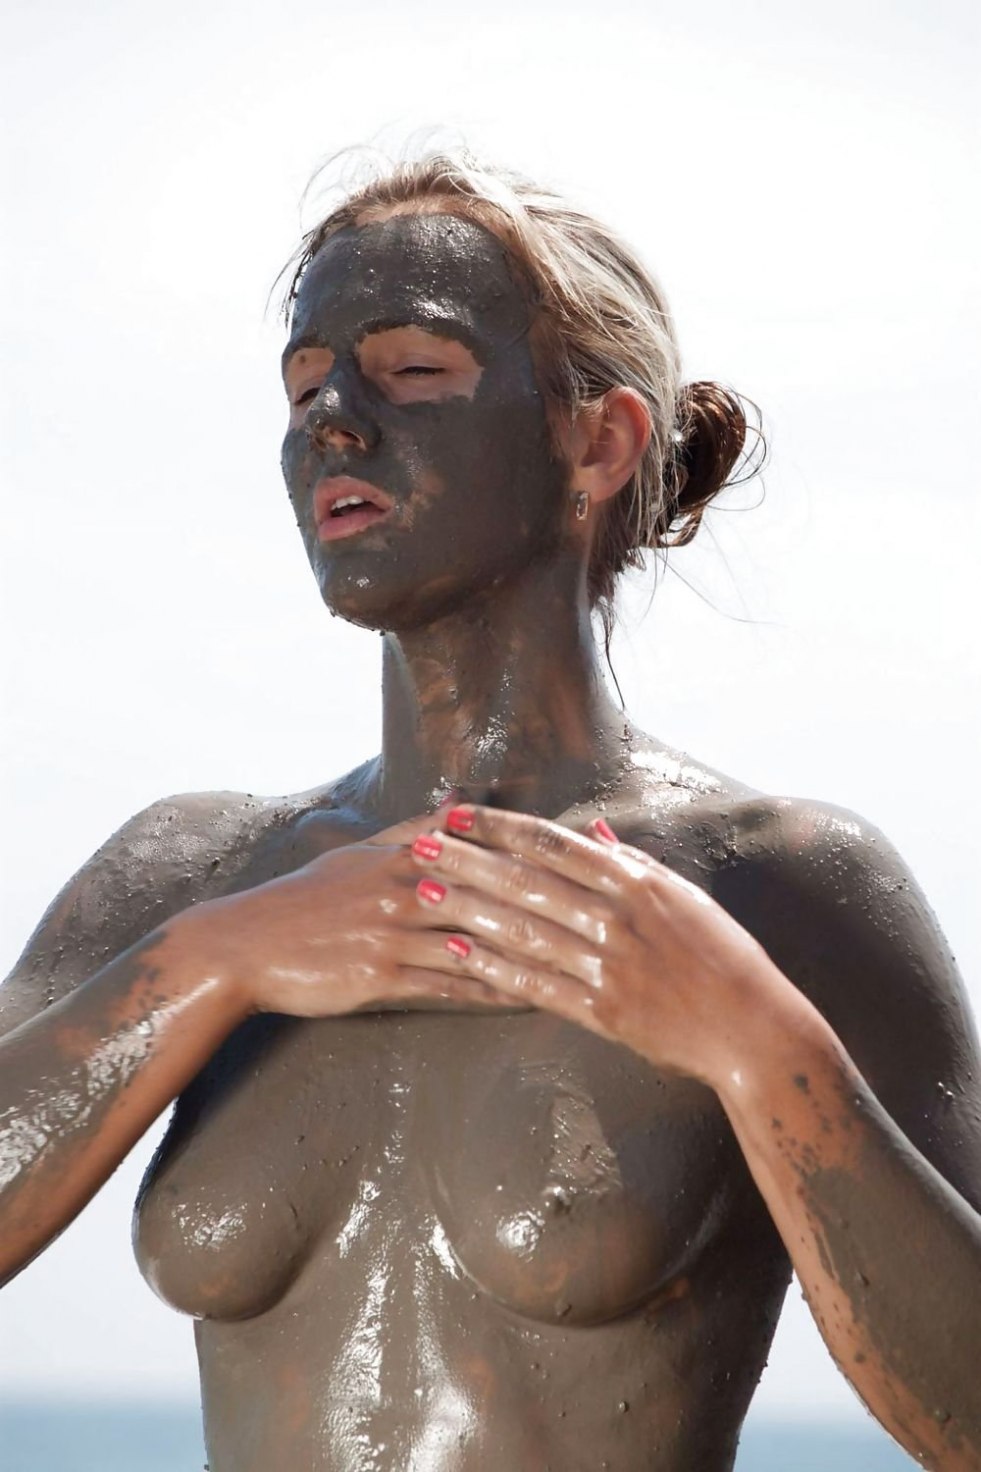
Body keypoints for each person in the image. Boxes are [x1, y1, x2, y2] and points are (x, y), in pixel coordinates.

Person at [1, 152, 979, 1472]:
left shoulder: (772, 884)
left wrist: (758, 1049)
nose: (332, 420)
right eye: (305, 385)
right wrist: (215, 963)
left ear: (597, 441)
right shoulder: (196, 876)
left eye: (410, 371)